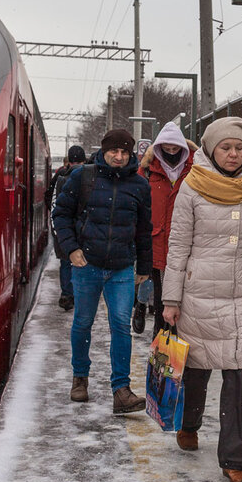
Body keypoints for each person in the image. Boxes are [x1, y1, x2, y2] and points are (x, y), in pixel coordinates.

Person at [162, 117, 242, 482]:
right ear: (210, 149)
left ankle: (236, 459)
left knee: (240, 377)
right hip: (199, 294)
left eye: (239, 148)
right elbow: (177, 247)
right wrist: (171, 298)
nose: (233, 154)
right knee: (196, 369)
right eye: (226, 147)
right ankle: (189, 423)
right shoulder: (191, 187)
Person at [52, 129, 152, 414]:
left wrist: (144, 266)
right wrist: (71, 249)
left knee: (120, 325)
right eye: (114, 152)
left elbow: (144, 230)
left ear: (131, 154)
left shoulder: (139, 185)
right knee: (83, 322)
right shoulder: (83, 177)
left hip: (121, 268)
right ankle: (80, 377)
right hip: (87, 265)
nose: (119, 157)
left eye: (124, 152)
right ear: (104, 151)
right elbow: (61, 215)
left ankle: (121, 389)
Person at [137, 122, 196, 337]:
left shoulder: (195, 170)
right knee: (163, 301)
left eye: (175, 149)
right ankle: (162, 351)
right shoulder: (146, 172)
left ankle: (175, 347)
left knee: (185, 304)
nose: (171, 153)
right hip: (156, 244)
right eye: (167, 149)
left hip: (187, 246)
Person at [48, 145, 88, 310]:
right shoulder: (89, 176)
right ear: (84, 160)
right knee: (83, 263)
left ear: (68, 162)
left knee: (66, 262)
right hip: (83, 230)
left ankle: (67, 294)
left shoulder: (59, 177)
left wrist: (57, 230)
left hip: (65, 231)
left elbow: (50, 201)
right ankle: (79, 295)